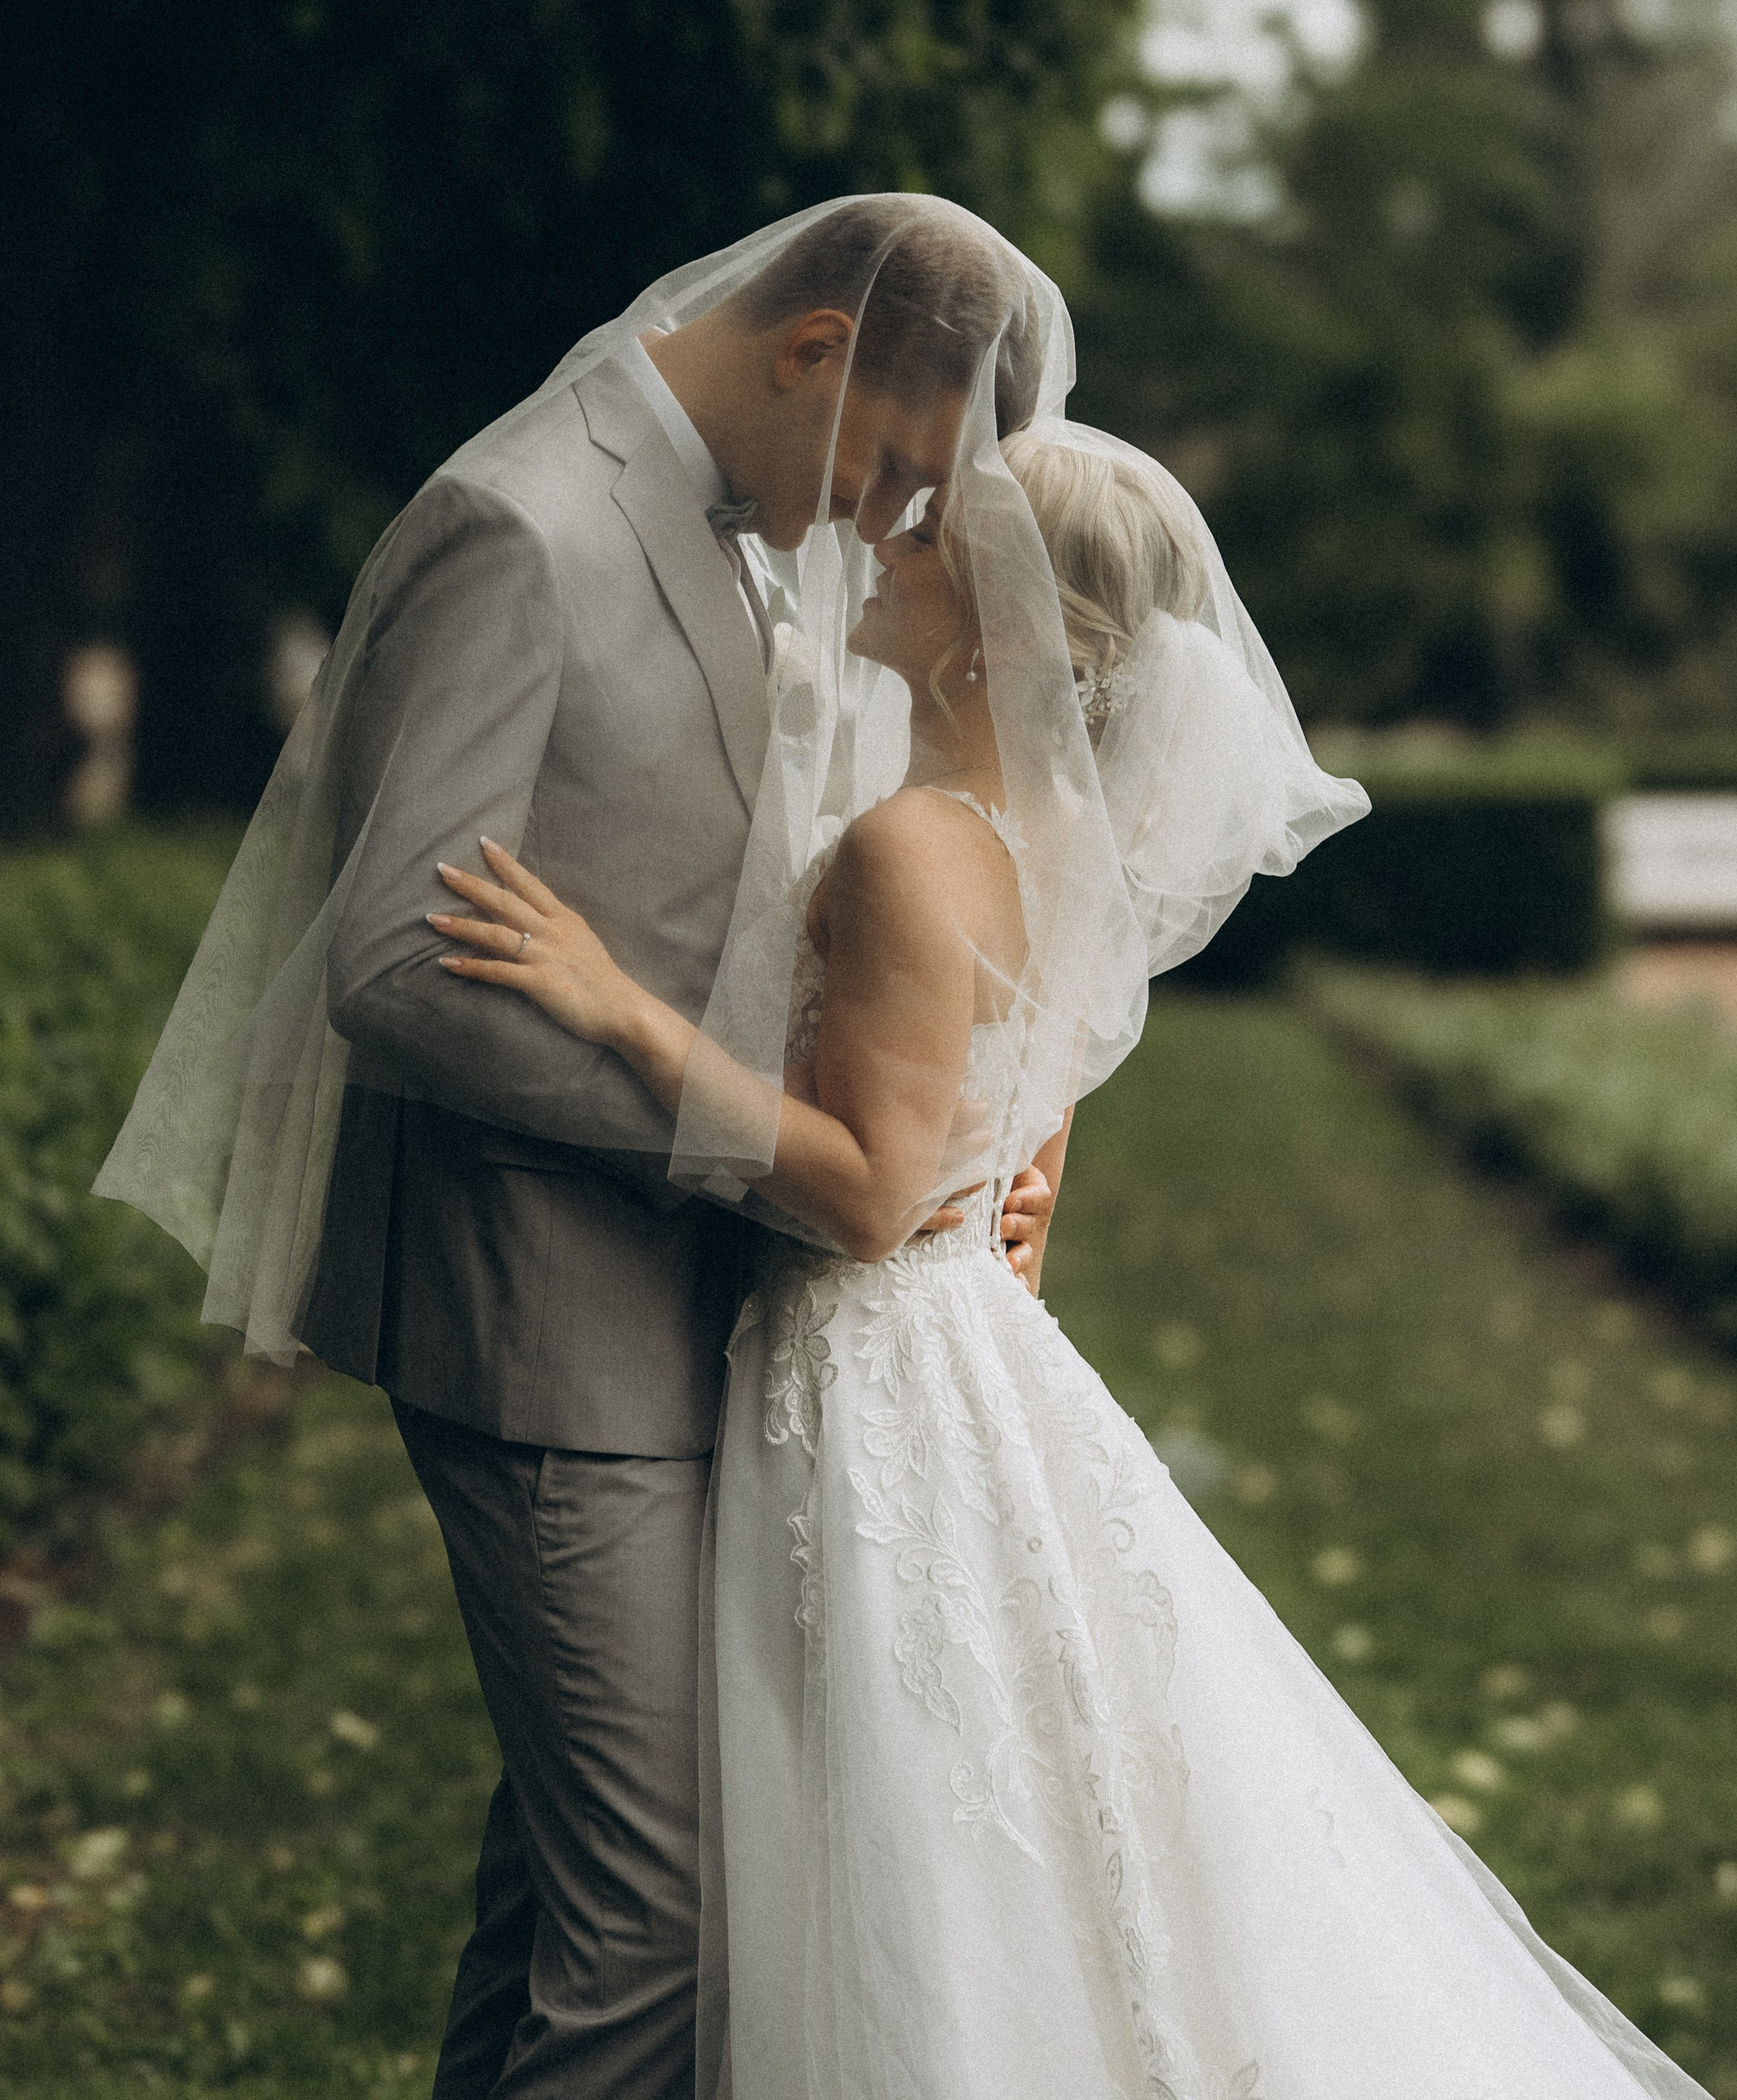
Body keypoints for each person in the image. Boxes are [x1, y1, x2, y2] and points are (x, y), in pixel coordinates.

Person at [430, 420, 1717, 2100]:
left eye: (919, 541)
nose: (880, 544)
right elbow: (1027, 1084)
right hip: (967, 1340)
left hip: (871, 1352)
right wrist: (1020, 1169)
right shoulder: (1050, 837)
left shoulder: (909, 844)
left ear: (988, 620)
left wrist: (615, 1008)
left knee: (888, 1800)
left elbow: (872, 1196)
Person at [96, 195, 1068, 2100]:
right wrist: (733, 1142)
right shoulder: (515, 526)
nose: (883, 523)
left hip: (674, 1307)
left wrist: (953, 1140)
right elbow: (391, 962)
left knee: (566, 1883)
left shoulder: (735, 529)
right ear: (810, 353)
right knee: (664, 1915)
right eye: (888, 468)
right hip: (540, 1318)